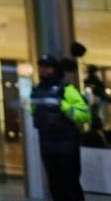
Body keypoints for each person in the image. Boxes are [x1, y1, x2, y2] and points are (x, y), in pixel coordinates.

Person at [31, 55, 89, 201]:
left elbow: (85, 115)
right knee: (54, 185)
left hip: (67, 144)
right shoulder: (37, 90)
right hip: (47, 144)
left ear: (55, 69)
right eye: (42, 66)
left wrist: (64, 107)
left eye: (48, 66)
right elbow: (34, 112)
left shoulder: (67, 89)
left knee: (70, 184)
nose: (44, 70)